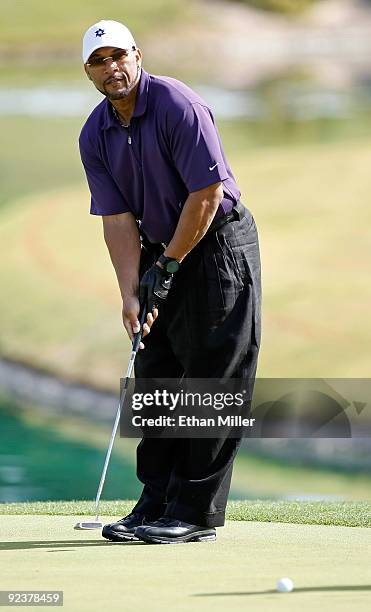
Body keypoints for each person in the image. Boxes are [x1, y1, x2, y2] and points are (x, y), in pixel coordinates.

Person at [79, 20, 262, 544]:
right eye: (100, 61)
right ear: (89, 71)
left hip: (216, 245)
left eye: (119, 56)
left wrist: (171, 266)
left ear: (137, 55)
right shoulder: (95, 132)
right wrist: (132, 291)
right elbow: (115, 218)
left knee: (212, 379)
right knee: (155, 374)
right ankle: (155, 500)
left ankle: (195, 513)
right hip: (160, 247)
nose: (112, 68)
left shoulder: (176, 104)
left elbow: (205, 194)